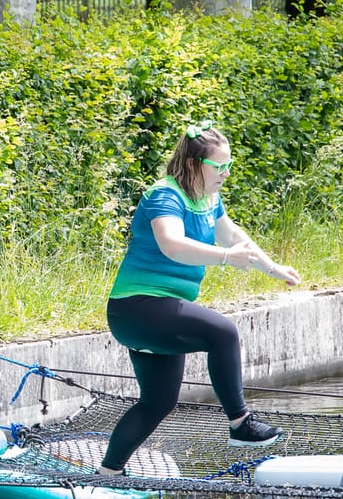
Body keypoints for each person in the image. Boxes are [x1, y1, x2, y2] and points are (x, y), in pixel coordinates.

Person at [97, 121, 301, 476]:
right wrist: (224, 258)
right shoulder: (165, 195)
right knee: (222, 333)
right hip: (138, 307)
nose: (225, 174)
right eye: (218, 167)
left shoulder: (207, 198)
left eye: (229, 166)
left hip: (155, 314)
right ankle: (240, 425)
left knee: (158, 402)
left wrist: (273, 269)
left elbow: (232, 235)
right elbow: (171, 245)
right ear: (193, 164)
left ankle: (107, 474)